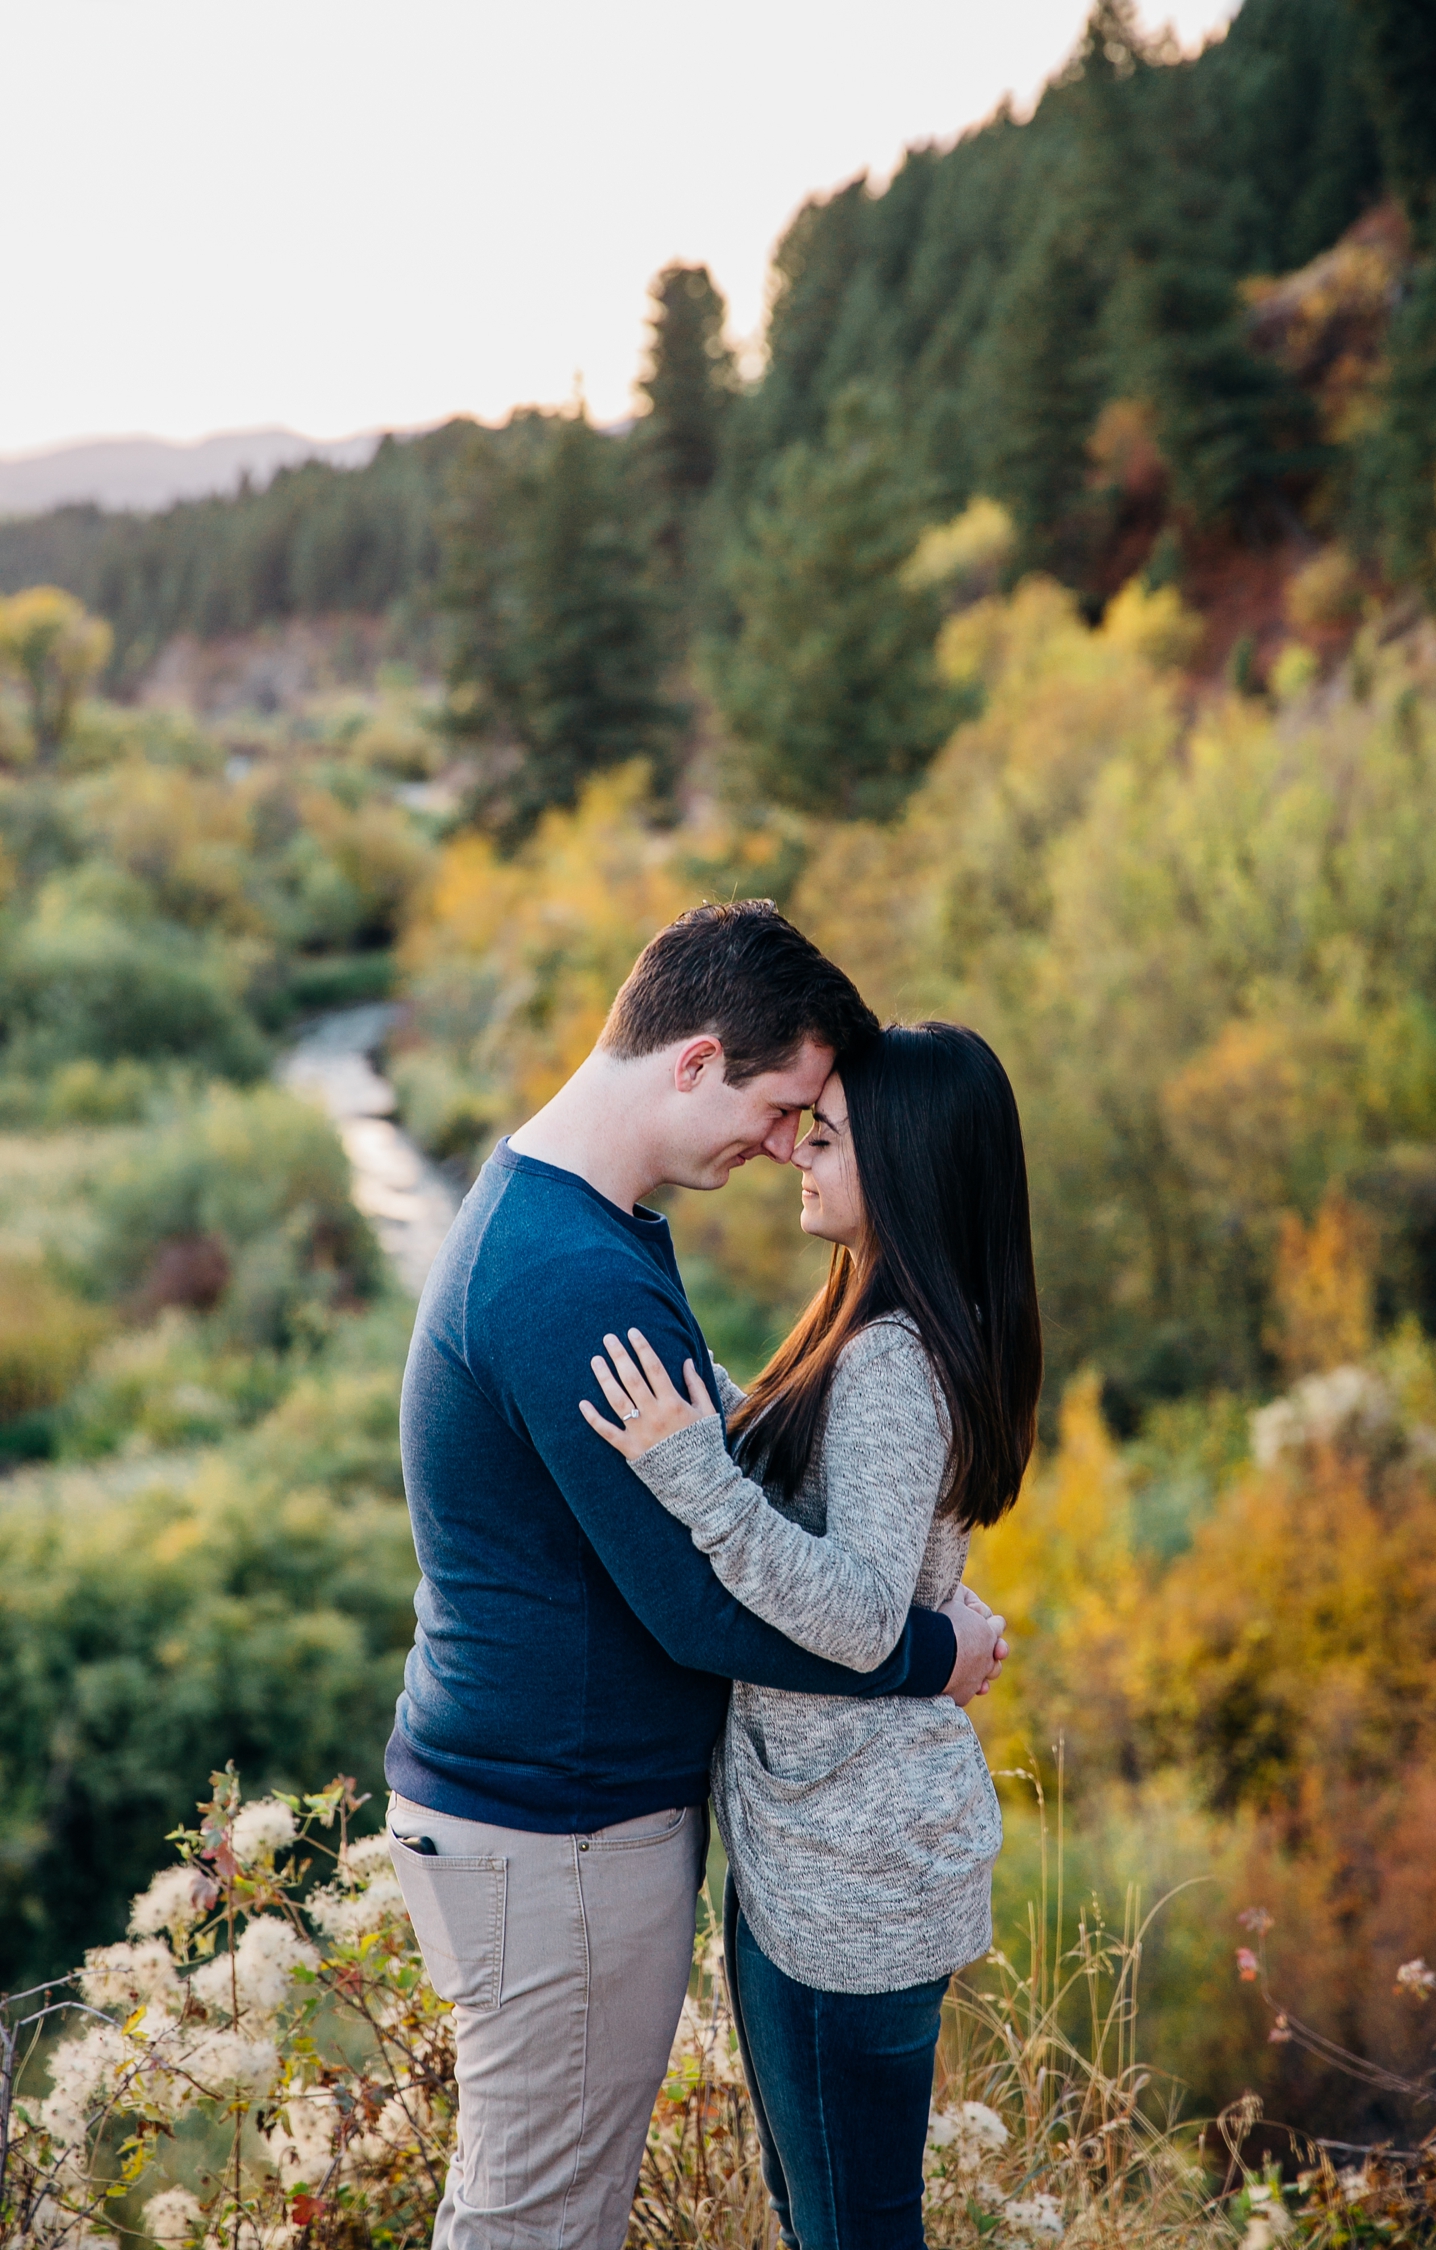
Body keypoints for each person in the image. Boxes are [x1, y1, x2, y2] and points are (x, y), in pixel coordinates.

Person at [384, 904, 1008, 2250]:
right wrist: (929, 1653)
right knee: (536, 2220)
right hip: (558, 1830)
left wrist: (721, 1446)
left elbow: (723, 1468)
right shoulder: (568, 1275)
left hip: (566, 1819)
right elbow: (694, 1599)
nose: (786, 1141)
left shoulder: (575, 1232)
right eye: (787, 1104)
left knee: (558, 2209)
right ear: (694, 1060)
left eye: (816, 1126)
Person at [581, 1019, 1043, 2250]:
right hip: (824, 1852)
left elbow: (853, 1610)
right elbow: (817, 1484)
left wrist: (690, 1469)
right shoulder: (883, 1326)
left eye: (825, 1137)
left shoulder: (894, 1359)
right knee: (822, 2214)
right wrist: (707, 1404)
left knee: (848, 2228)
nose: (796, 1151)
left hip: (854, 1876)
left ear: (902, 1166)